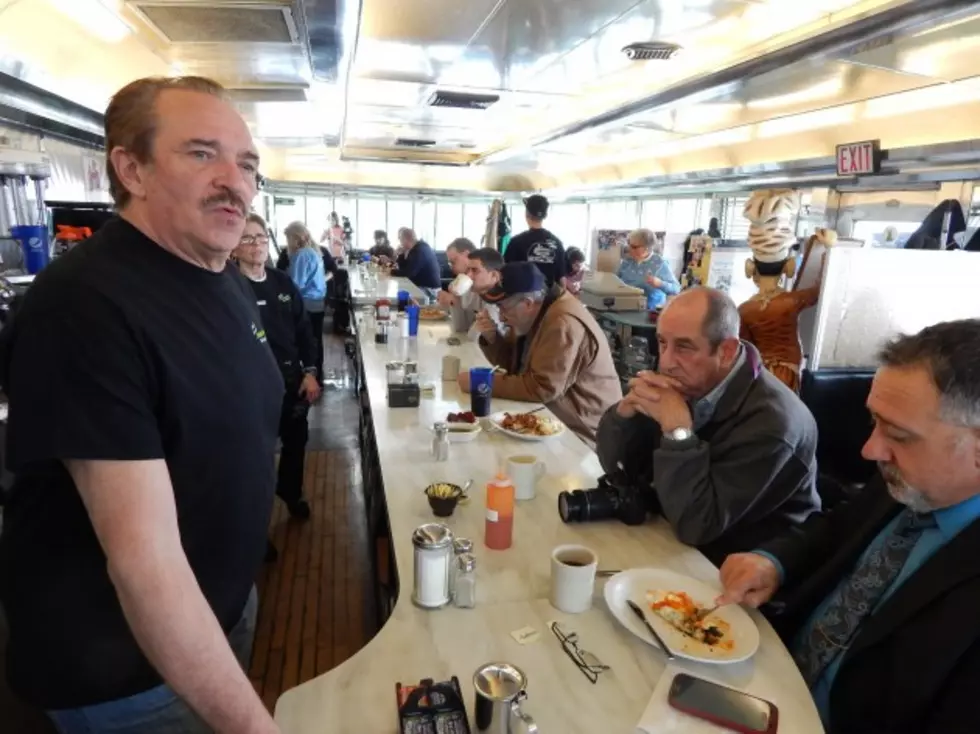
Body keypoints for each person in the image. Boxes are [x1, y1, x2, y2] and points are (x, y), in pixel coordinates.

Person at [0, 76, 282, 733]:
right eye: (201, 153)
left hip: (218, 615)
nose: (233, 181)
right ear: (133, 168)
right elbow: (143, 561)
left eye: (246, 164)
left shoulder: (220, 278)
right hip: (129, 676)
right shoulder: (86, 306)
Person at [718, 319, 980, 734]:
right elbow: (838, 527)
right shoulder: (910, 479)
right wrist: (774, 562)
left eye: (897, 434)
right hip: (764, 683)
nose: (870, 449)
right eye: (875, 421)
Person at [595, 287, 820, 564]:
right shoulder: (690, 379)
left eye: (684, 347)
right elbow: (615, 466)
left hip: (735, 568)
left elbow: (696, 525)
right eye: (662, 342)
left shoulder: (774, 423)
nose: (666, 362)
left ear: (726, 351)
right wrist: (624, 416)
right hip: (666, 535)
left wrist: (678, 433)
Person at [459, 262, 621, 447]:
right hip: (554, 415)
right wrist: (493, 338)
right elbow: (515, 366)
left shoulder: (562, 323)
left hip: (584, 433)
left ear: (527, 303)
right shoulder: (534, 314)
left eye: (504, 308)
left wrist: (479, 383)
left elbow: (541, 388)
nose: (502, 317)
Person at [235, 215, 320, 529]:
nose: (256, 244)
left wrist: (310, 372)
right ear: (233, 245)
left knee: (296, 444)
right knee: (256, 458)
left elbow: (304, 333)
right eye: (247, 238)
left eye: (260, 238)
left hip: (291, 383)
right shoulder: (228, 287)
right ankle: (257, 525)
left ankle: (291, 492)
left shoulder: (282, 282)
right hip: (251, 389)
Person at [285, 221, 327, 383]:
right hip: (317, 302)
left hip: (307, 302)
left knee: (308, 340)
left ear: (293, 238)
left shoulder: (302, 255)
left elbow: (297, 283)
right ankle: (318, 375)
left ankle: (312, 377)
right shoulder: (314, 252)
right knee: (316, 339)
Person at [504, 194, 566, 287]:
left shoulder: (516, 242)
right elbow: (562, 279)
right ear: (545, 216)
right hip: (549, 298)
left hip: (522, 298)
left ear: (526, 214)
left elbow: (506, 273)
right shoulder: (557, 243)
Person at [618, 228, 681, 311]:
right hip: (625, 308)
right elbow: (615, 281)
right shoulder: (627, 261)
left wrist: (660, 283)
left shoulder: (659, 264)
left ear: (646, 248)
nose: (629, 249)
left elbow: (676, 289)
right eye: (629, 244)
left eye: (634, 247)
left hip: (649, 312)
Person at [437, 237, 477, 333]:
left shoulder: (482, 283)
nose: (451, 267)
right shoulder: (459, 282)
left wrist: (455, 301)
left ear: (467, 255)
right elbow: (460, 327)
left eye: (453, 262)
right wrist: (450, 302)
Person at [393, 226, 441, 296]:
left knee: (400, 294)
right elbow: (403, 268)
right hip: (421, 286)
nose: (400, 243)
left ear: (406, 239)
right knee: (399, 289)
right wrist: (401, 254)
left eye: (400, 240)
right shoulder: (415, 248)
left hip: (429, 290)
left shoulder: (420, 250)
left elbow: (409, 273)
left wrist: (391, 272)